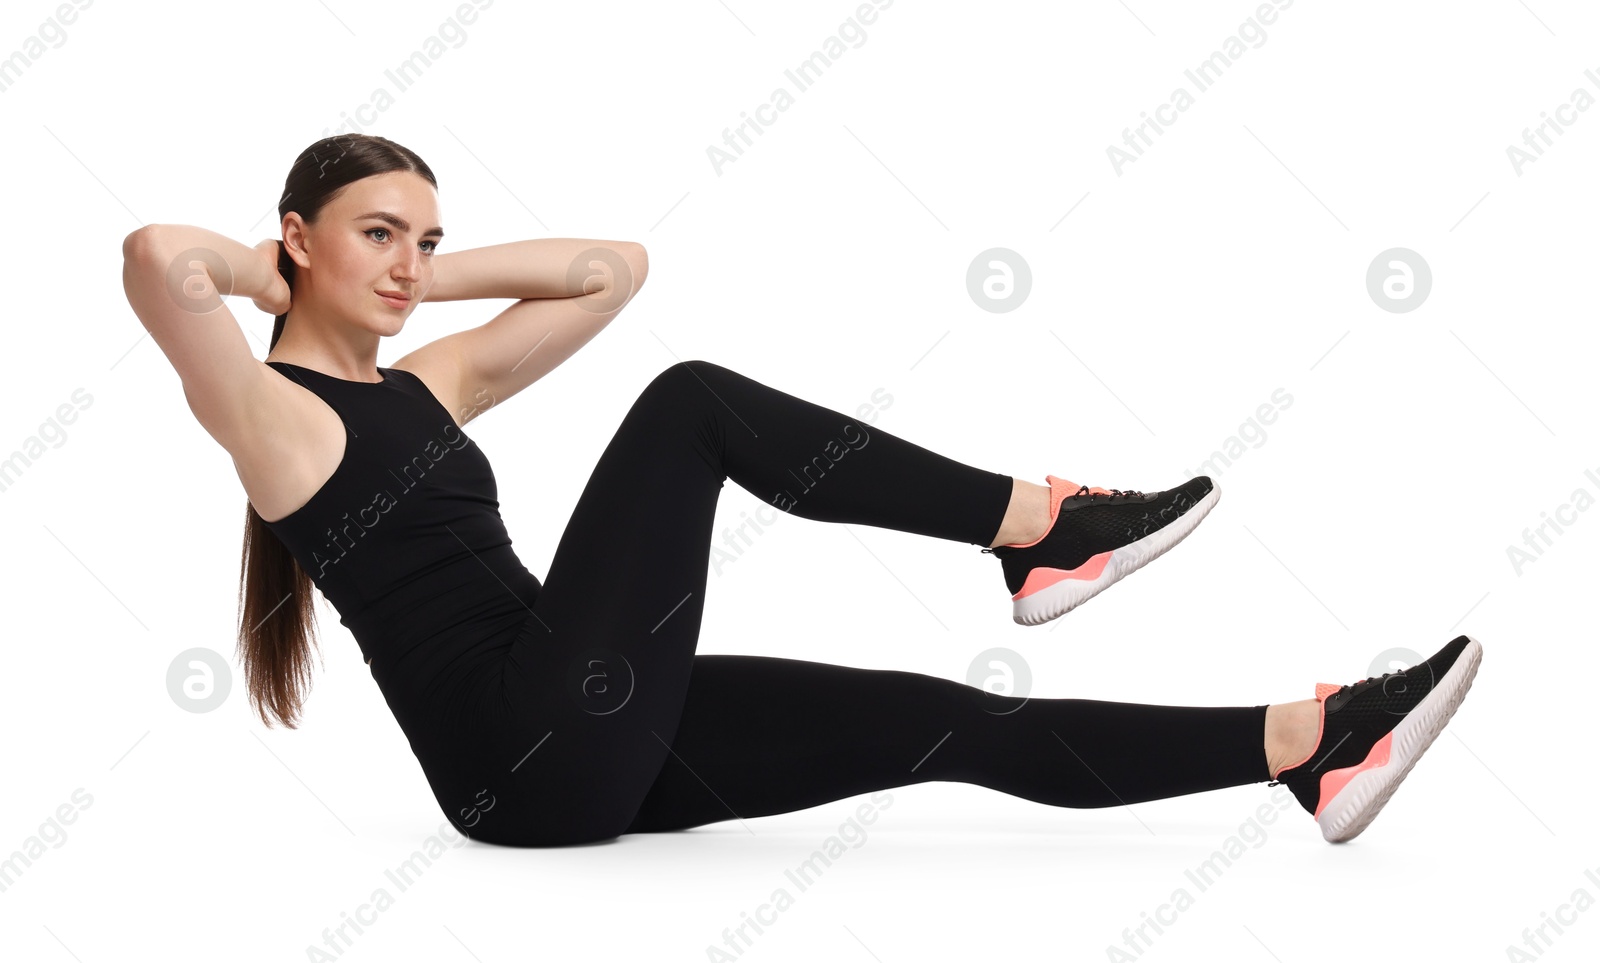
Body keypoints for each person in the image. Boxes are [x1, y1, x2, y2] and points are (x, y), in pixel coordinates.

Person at [120, 134, 1481, 847]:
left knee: (945, 721)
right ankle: (1039, 530)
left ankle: (1307, 749)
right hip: (521, 749)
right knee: (693, 406)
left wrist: (411, 278)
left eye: (426, 238)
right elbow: (153, 258)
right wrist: (279, 276)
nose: (412, 265)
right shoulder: (274, 419)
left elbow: (612, 269)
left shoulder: (430, 386)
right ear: (297, 238)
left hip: (578, 728)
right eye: (380, 236)